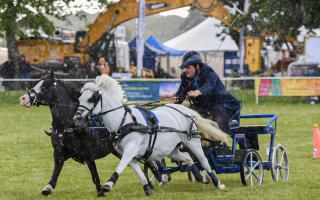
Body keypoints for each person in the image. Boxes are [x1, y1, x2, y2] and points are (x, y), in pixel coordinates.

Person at [173, 51, 241, 134]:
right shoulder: (185, 76)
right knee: (187, 114)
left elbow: (209, 86)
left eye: (188, 67)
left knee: (218, 113)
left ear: (197, 66)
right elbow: (181, 92)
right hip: (204, 106)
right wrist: (176, 100)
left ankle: (223, 142)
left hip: (224, 105)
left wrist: (198, 91)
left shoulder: (209, 73)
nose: (185, 70)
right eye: (183, 67)